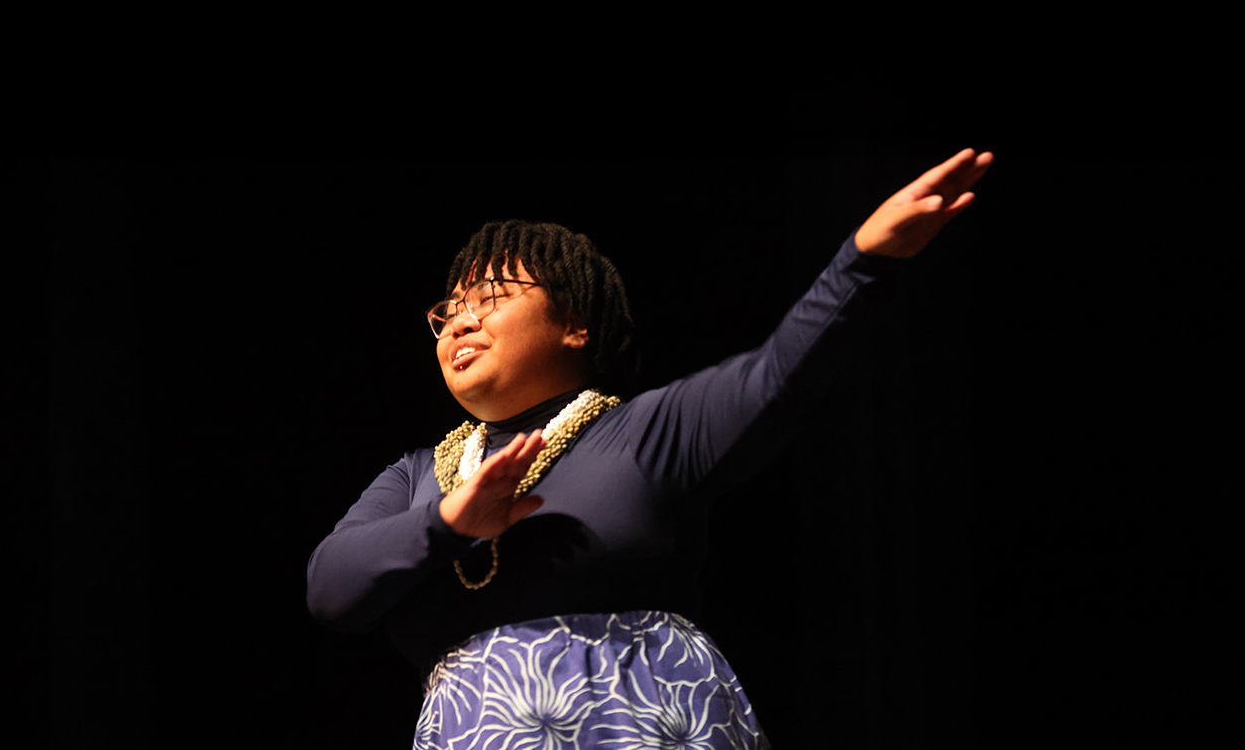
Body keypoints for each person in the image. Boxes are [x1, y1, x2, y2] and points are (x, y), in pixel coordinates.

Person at [307, 149, 994, 749]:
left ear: (575, 325)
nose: (461, 316)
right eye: (449, 307)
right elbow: (331, 589)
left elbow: (773, 378)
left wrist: (860, 263)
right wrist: (449, 522)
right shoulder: (418, 475)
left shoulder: (644, 432)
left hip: (645, 722)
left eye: (491, 294)